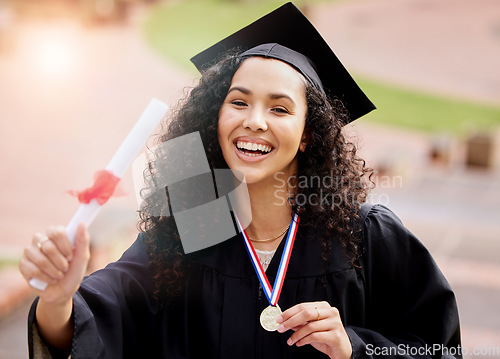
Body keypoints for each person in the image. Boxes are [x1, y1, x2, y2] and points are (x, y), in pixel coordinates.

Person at [19, 3, 461, 358]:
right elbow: (99, 320)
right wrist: (57, 300)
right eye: (238, 102)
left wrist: (355, 348)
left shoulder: (362, 234)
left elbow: (438, 346)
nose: (254, 122)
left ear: (309, 134)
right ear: (216, 117)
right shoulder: (190, 226)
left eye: (280, 109)